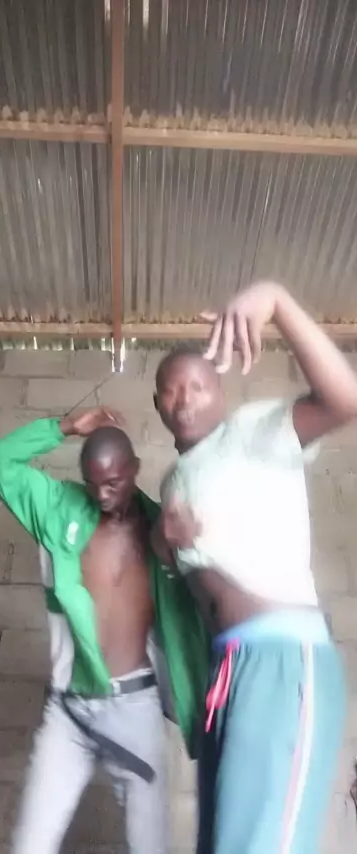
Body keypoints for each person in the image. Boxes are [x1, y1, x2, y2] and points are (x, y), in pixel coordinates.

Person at [153, 281, 356, 854]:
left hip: (281, 661)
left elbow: (345, 400)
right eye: (171, 390)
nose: (184, 399)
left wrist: (277, 299)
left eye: (196, 386)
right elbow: (178, 562)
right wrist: (163, 539)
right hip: (226, 671)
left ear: (219, 392)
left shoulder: (252, 429)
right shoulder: (173, 481)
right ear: (157, 403)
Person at [0, 407, 209, 854]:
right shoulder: (58, 508)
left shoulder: (160, 530)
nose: (101, 494)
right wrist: (63, 427)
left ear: (134, 469)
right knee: (29, 847)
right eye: (92, 482)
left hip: (136, 709)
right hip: (70, 711)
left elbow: (204, 605)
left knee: (151, 848)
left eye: (113, 482)